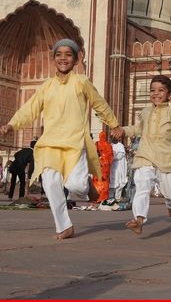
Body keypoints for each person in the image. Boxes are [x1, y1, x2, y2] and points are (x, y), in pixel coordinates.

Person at [0, 39, 122, 239]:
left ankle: (88, 187)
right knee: (50, 183)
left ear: (76, 59)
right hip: (50, 143)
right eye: (59, 54)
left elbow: (99, 104)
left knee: (75, 185)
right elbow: (29, 109)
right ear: (53, 58)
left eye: (68, 54)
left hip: (74, 142)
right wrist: (12, 124)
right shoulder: (47, 85)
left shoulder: (81, 82)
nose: (63, 58)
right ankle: (64, 226)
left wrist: (114, 124)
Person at [121, 75, 171, 235]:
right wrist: (122, 130)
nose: (156, 93)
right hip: (145, 155)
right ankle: (139, 219)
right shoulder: (145, 112)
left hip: (167, 158)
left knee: (170, 193)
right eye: (152, 90)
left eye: (160, 90)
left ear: (170, 95)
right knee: (142, 184)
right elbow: (138, 130)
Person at [91, 131, 113, 204]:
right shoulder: (109, 145)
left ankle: (97, 196)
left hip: (99, 164)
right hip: (106, 165)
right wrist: (108, 162)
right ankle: (104, 197)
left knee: (98, 180)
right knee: (105, 181)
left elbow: (94, 153)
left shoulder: (97, 144)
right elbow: (111, 155)